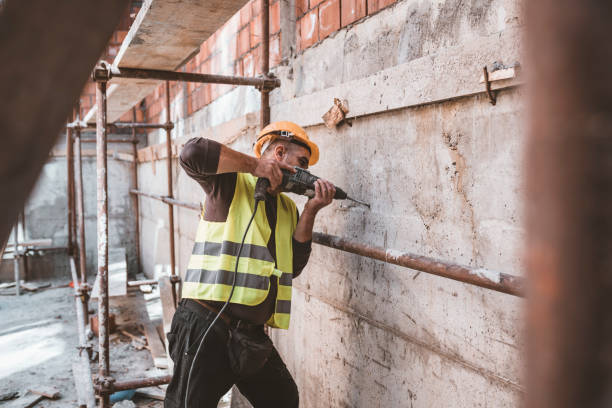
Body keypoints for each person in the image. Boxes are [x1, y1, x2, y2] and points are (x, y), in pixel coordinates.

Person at [164, 121, 336, 408]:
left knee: (282, 398)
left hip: (247, 337)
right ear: (279, 152)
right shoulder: (230, 182)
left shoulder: (286, 209)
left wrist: (311, 210)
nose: (306, 173)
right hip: (205, 326)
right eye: (301, 163)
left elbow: (292, 265)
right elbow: (190, 153)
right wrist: (255, 165)